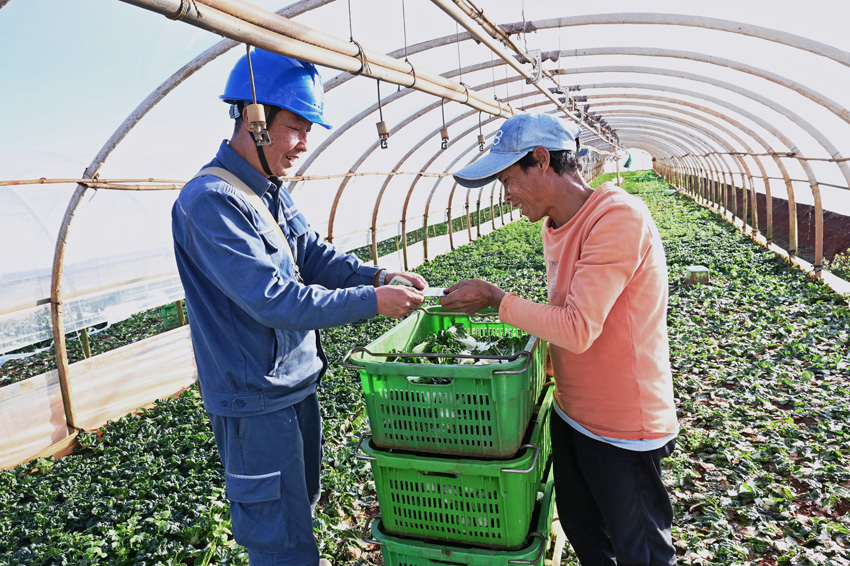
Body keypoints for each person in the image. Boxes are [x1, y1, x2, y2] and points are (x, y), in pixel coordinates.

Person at [171, 48, 425, 566]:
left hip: (296, 388)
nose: (304, 143)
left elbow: (312, 253)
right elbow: (276, 300)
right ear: (253, 118)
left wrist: (379, 275)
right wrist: (374, 301)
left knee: (299, 514)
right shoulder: (211, 200)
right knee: (280, 544)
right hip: (255, 405)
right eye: (296, 127)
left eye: (310, 129)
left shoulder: (268, 192)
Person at [440, 113, 679, 566]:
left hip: (624, 427)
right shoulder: (556, 225)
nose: (506, 196)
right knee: (589, 539)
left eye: (508, 180)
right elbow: (565, 318)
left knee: (641, 553)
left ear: (542, 160)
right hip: (573, 417)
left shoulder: (617, 217)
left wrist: (496, 299)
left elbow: (577, 327)